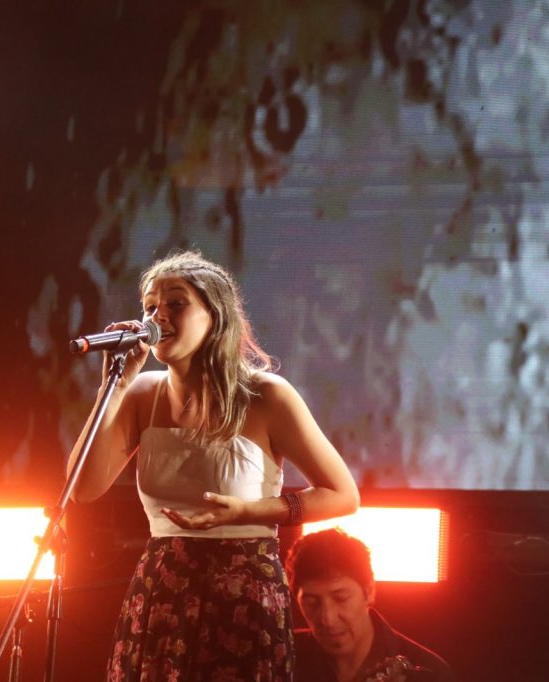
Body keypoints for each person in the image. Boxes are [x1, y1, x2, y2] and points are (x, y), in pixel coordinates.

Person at [67, 250, 360, 681]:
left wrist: (249, 512)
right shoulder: (142, 394)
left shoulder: (266, 396)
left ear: (215, 316)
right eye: (150, 306)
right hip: (161, 587)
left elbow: (343, 495)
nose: (158, 316)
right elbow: (83, 488)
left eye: (176, 304)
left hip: (243, 588)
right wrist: (115, 385)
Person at [285, 528, 454, 682]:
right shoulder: (279, 656)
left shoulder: (430, 673)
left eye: (341, 598)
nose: (328, 619)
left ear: (369, 591)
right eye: (311, 602)